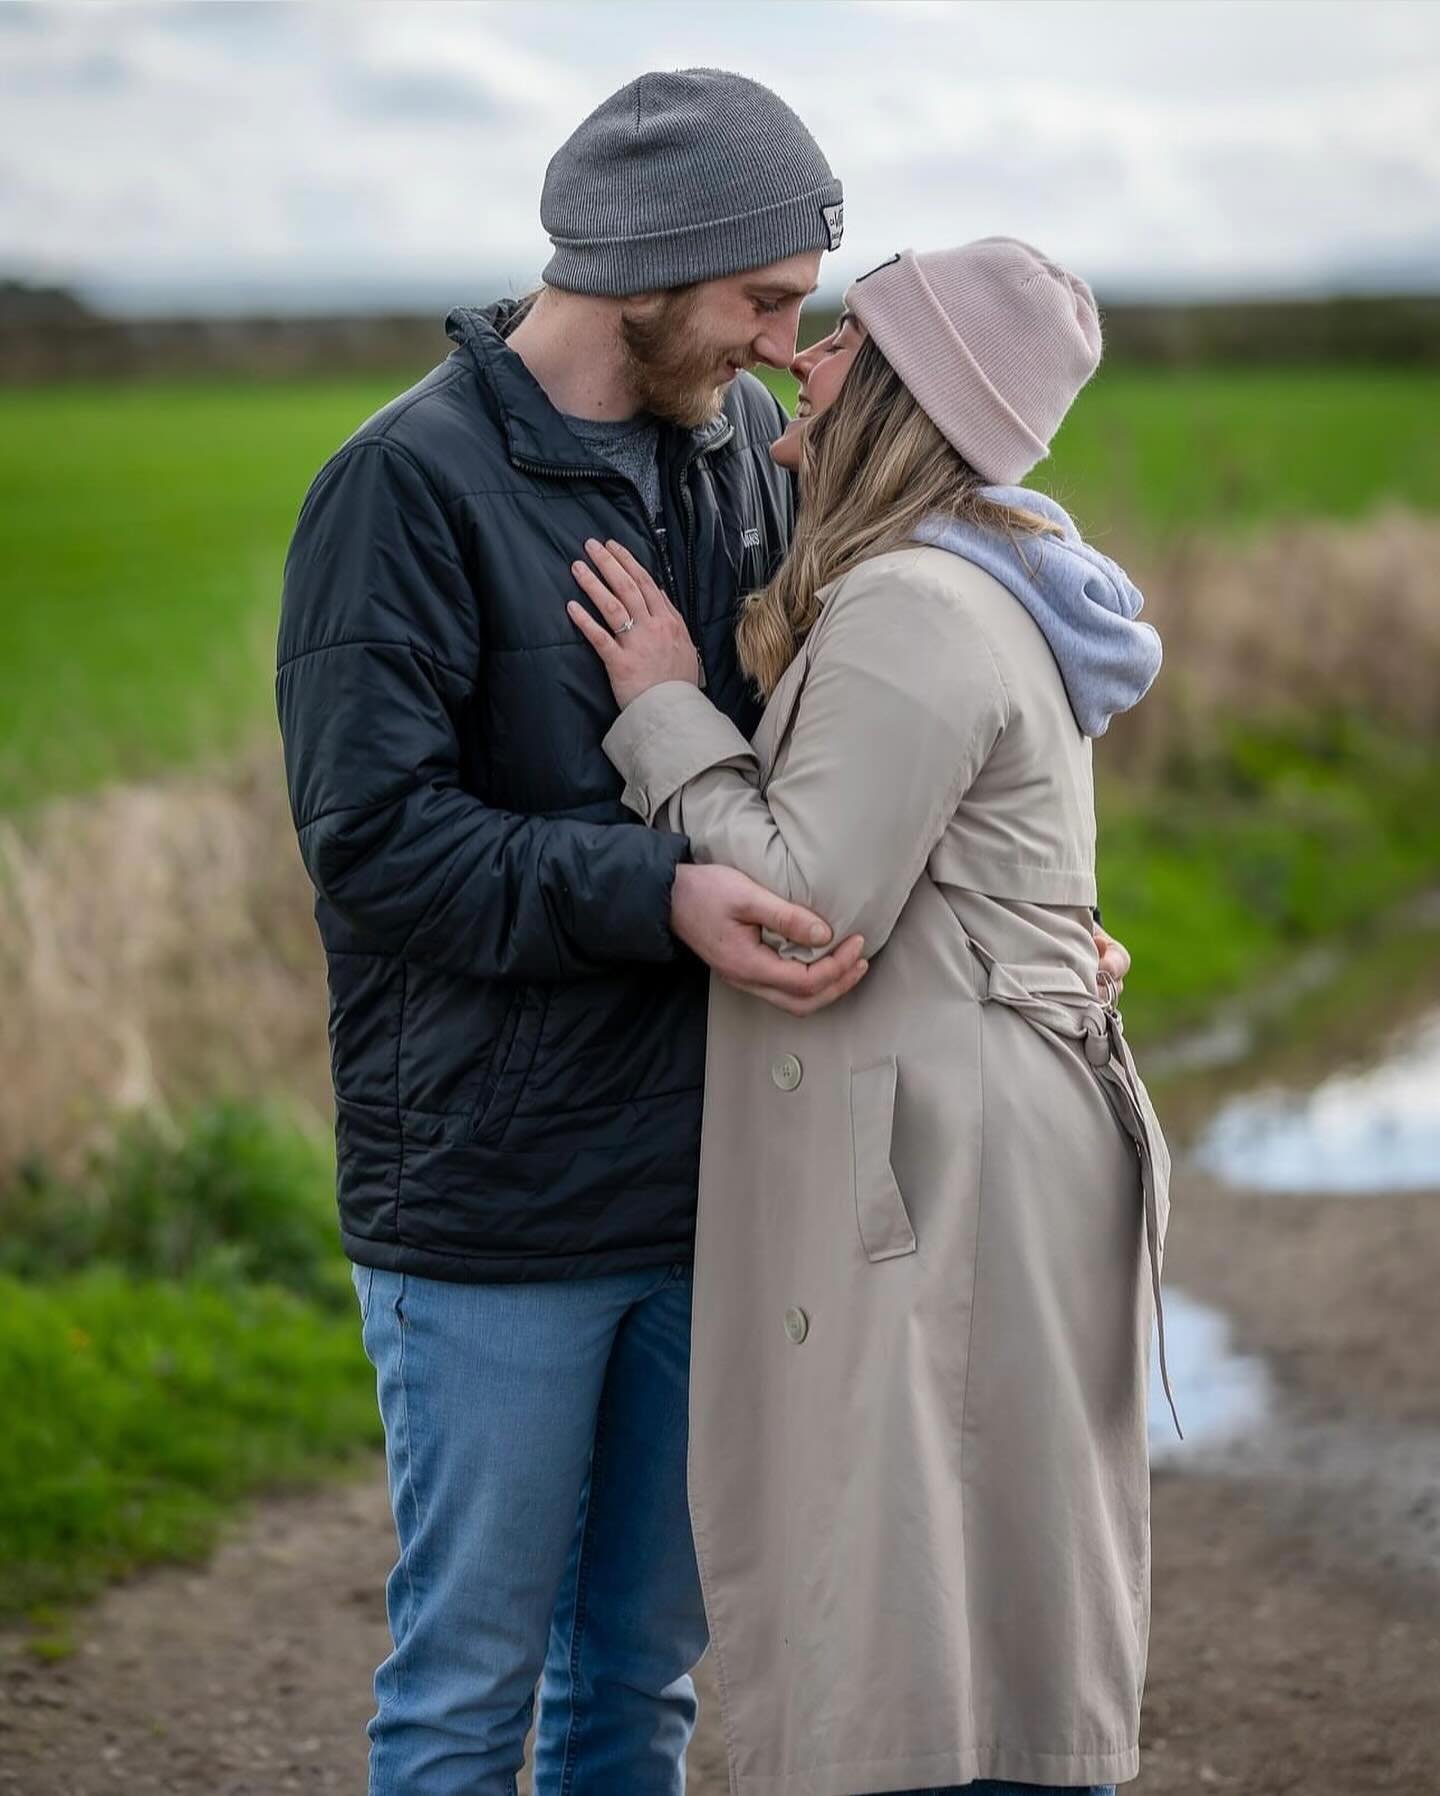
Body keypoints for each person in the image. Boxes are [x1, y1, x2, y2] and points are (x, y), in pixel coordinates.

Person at [278, 57, 1130, 1791]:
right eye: (764, 299)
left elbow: (857, 737)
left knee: (647, 1687)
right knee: (468, 1679)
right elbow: (373, 845)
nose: (774, 344)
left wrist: (1014, 930)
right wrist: (657, 894)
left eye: (802, 310)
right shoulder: (404, 487)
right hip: (497, 1190)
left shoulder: (744, 448)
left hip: (725, 1182)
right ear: (647, 265)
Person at [568, 239, 1168, 1796]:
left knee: (918, 1579)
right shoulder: (971, 582)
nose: (800, 360)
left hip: (947, 1149)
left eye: (839, 341)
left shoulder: (912, 601)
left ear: (900, 394)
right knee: (975, 1566)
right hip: (987, 1116)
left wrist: (661, 706)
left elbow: (806, 899)